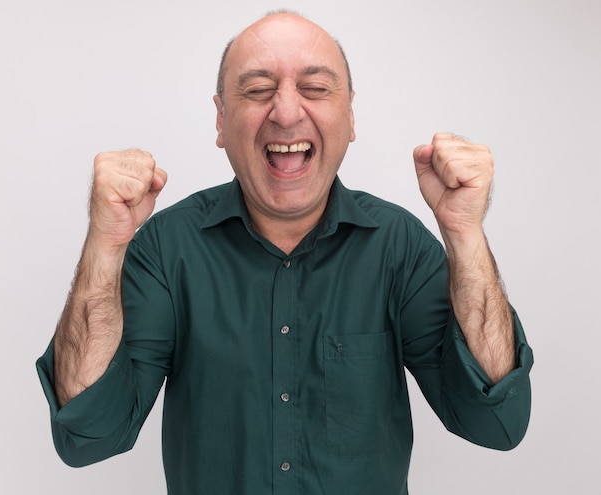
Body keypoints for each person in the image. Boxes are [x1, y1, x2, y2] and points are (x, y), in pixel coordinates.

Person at [37, 11, 533, 495]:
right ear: (220, 118)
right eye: (257, 90)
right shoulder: (168, 249)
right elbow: (88, 436)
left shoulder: (398, 246)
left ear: (351, 115)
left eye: (316, 89)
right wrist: (105, 245)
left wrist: (464, 233)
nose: (288, 112)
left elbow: (497, 422)